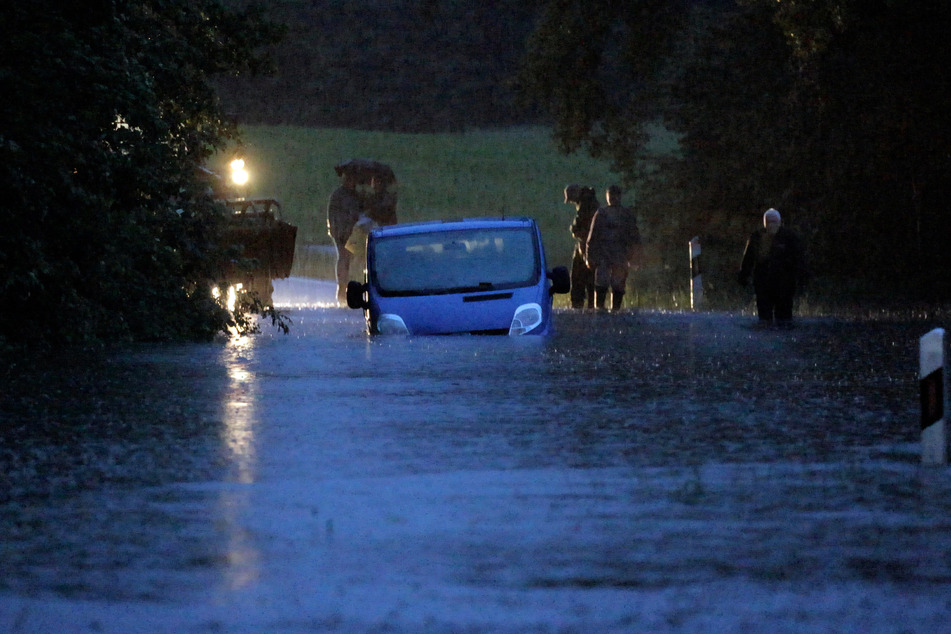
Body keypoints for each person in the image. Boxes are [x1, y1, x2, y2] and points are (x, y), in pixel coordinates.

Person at [738, 208, 808, 326]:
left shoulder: (789, 237)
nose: (771, 225)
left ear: (779, 222)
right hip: (764, 284)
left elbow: (799, 259)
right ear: (765, 223)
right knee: (765, 318)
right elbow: (748, 258)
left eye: (774, 222)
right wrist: (744, 275)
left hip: (784, 284)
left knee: (784, 317)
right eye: (769, 222)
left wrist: (802, 277)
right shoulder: (757, 237)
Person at [585, 185, 642, 312]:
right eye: (611, 195)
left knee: (617, 283)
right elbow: (592, 237)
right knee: (602, 282)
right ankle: (600, 308)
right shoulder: (602, 213)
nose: (612, 198)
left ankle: (613, 309)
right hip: (605, 253)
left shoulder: (624, 215)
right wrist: (590, 257)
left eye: (614, 195)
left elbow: (634, 237)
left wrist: (634, 257)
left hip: (619, 253)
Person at [326, 171, 363, 303]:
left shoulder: (355, 196)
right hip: (342, 231)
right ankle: (342, 288)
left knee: (348, 259)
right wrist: (334, 228)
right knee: (344, 258)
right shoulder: (339, 195)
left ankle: (347, 288)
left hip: (352, 231)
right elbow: (332, 213)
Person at [564, 184, 598, 309]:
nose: (572, 202)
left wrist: (574, 230)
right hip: (587, 244)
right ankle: (591, 304)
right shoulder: (588, 201)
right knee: (587, 276)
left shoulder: (586, 204)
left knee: (580, 275)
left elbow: (582, 227)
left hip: (587, 244)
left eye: (571, 199)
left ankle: (580, 304)